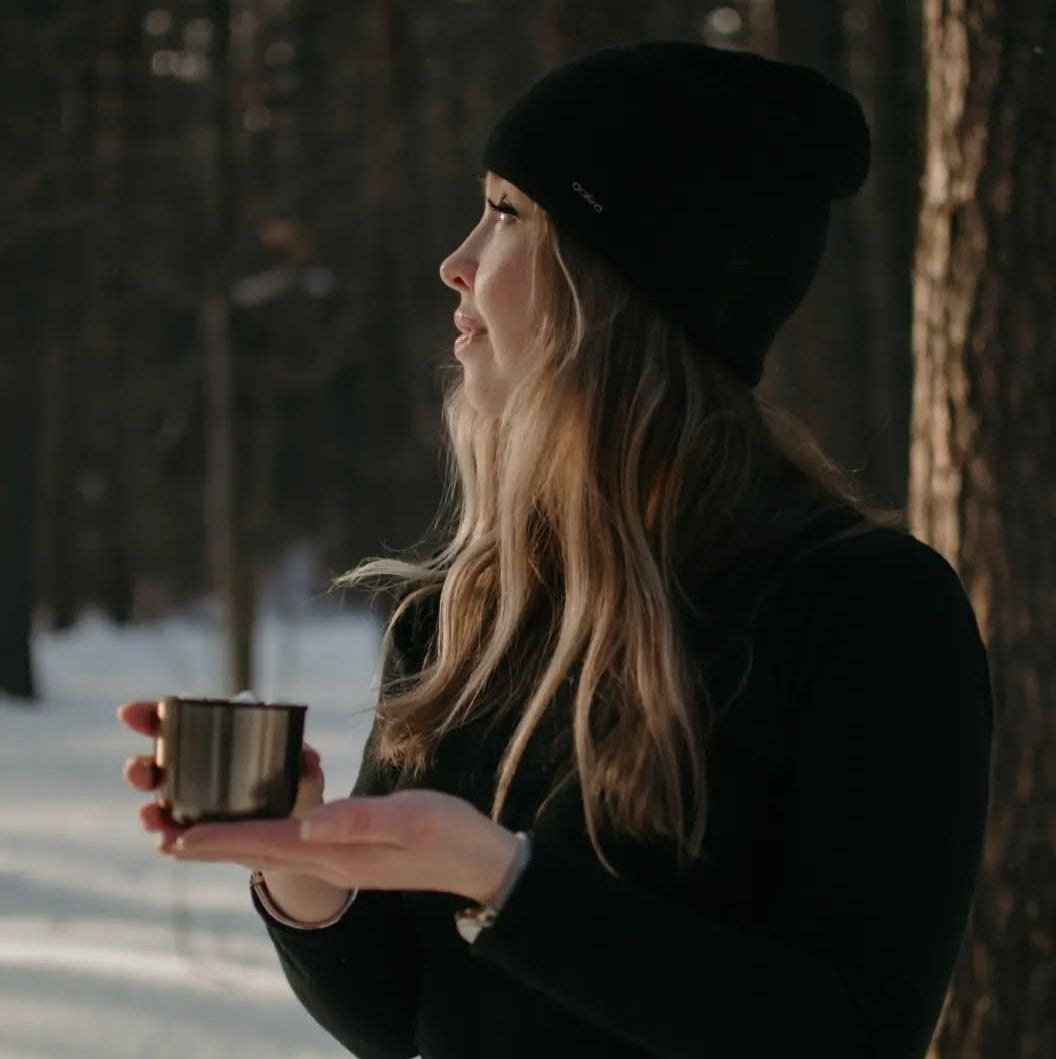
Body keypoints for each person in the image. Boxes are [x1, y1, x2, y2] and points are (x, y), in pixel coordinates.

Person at [118, 40, 994, 1059]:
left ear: (615, 281)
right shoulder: (466, 616)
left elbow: (853, 1030)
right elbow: (405, 1014)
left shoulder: (867, 610)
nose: (455, 262)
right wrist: (309, 869)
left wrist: (505, 884)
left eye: (506, 213)